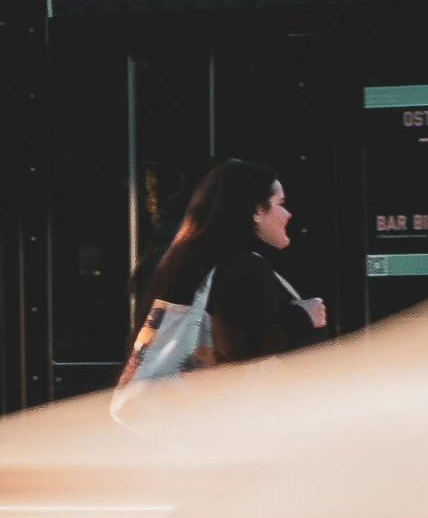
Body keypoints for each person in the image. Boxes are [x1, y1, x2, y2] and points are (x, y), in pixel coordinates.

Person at [133, 160, 328, 381]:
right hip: (239, 408)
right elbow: (240, 347)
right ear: (256, 211)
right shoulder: (244, 266)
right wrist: (303, 316)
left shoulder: (190, 260)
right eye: (279, 204)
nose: (287, 214)